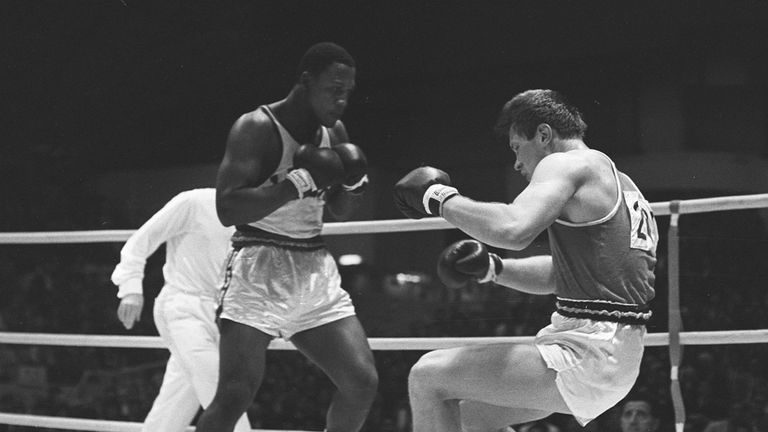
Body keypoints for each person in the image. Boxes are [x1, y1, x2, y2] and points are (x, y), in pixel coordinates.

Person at [393, 89, 658, 432]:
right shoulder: (621, 184)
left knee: (427, 376)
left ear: (544, 135)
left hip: (588, 351)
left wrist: (437, 197)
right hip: (611, 351)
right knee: (466, 421)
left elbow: (513, 229)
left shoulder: (568, 163)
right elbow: (559, 275)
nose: (517, 163)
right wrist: (493, 268)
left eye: (517, 147)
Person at [194, 42, 378, 432]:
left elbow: (340, 210)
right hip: (256, 266)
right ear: (306, 82)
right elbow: (226, 209)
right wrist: (292, 186)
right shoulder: (256, 127)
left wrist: (356, 182)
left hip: (313, 269)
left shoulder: (334, 131)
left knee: (361, 383)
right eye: (333, 89)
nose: (342, 100)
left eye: (347, 91)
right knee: (234, 394)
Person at [110, 188, 252, 432]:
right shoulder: (194, 202)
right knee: (224, 394)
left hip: (225, 315)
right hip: (183, 308)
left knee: (175, 403)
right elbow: (141, 240)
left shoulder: (262, 214)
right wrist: (130, 287)